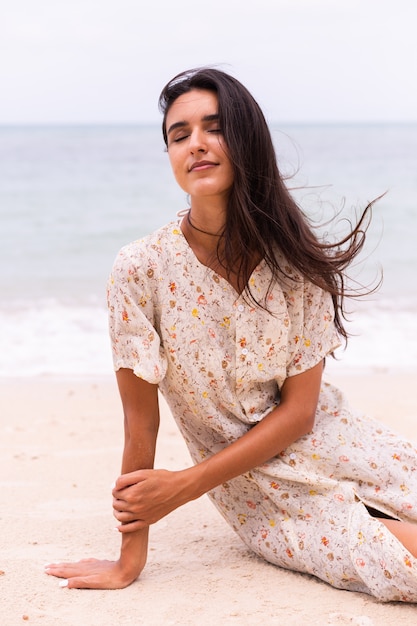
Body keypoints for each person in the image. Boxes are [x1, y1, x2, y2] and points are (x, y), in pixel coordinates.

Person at [45, 68, 417, 602]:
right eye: (179, 135)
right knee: (396, 564)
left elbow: (301, 412)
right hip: (262, 494)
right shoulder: (140, 270)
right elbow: (139, 423)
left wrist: (183, 487)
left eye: (214, 128)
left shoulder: (295, 262)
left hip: (339, 441)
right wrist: (130, 558)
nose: (195, 144)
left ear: (246, 139)